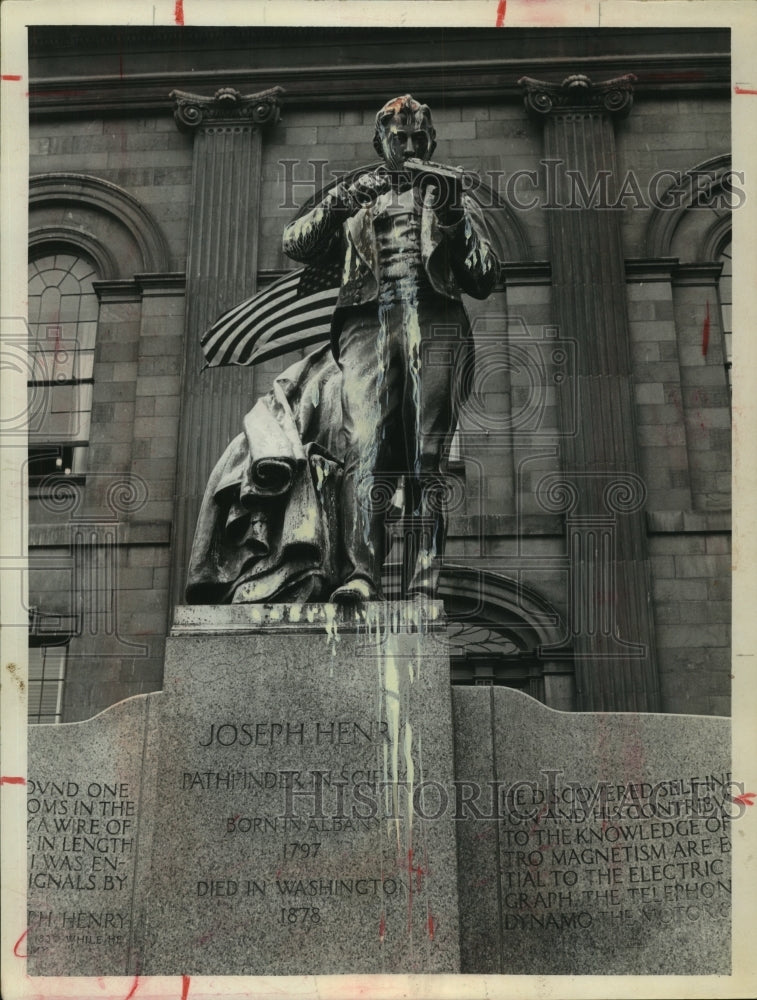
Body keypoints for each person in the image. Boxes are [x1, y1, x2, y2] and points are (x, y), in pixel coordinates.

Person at [282, 95, 498, 603]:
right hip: (366, 325)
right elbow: (295, 243)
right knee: (364, 447)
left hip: (435, 319)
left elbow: (485, 276)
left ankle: (423, 580)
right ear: (380, 143)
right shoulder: (358, 197)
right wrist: (344, 197)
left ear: (431, 142)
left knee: (427, 456)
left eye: (417, 138)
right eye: (397, 138)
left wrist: (451, 217)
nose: (408, 146)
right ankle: (363, 574)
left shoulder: (452, 198)